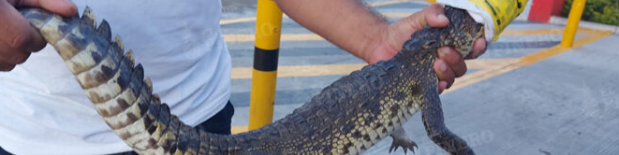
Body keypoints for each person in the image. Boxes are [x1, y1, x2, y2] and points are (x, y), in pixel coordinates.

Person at [0, 0, 486, 154]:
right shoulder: (416, 73)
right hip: (35, 132)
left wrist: (375, 34)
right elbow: (439, 130)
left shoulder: (411, 68)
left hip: (204, 111)